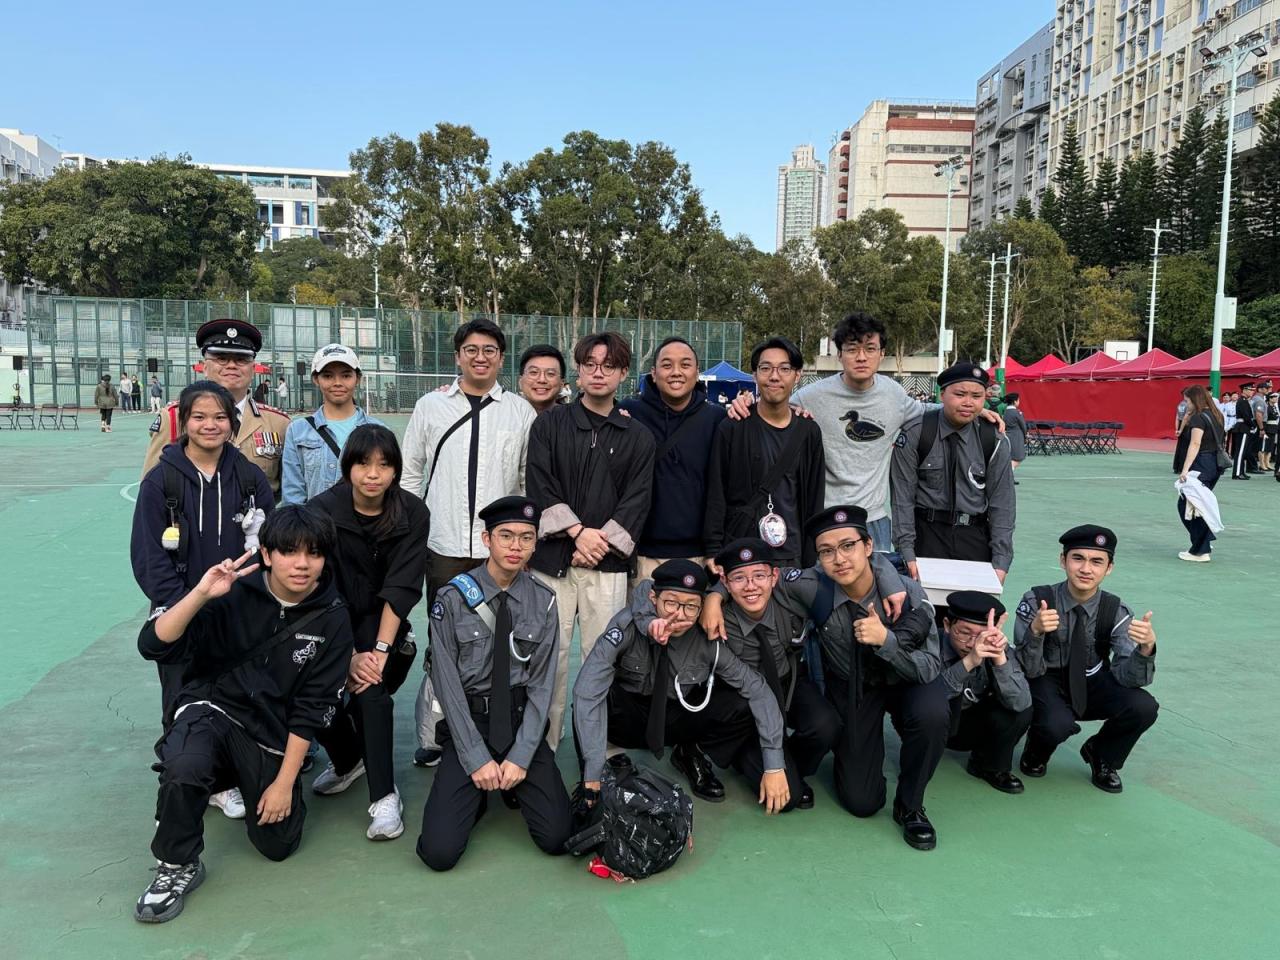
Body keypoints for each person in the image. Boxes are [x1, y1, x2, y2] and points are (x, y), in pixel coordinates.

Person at [132, 507, 352, 923]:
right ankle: (176, 863)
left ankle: (230, 780)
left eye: (314, 553)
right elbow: (152, 646)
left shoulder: (333, 617)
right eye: (289, 552)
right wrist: (200, 594)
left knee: (278, 845)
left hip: (268, 734)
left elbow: (312, 707)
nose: (302, 564)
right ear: (266, 554)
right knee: (185, 764)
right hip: (212, 708)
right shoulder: (231, 592)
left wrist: (283, 783)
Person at [727, 312, 1001, 551]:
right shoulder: (812, 396)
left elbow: (928, 410)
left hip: (873, 521)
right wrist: (744, 403)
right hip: (824, 517)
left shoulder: (893, 394)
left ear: (882, 354)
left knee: (874, 592)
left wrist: (974, 411)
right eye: (852, 349)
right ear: (839, 354)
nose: (861, 357)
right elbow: (773, 407)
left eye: (870, 349)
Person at [132, 380, 275, 820]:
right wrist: (185, 604)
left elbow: (265, 548)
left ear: (233, 424)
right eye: (199, 417)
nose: (209, 425)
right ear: (184, 423)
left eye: (219, 417)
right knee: (180, 694)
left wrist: (249, 599)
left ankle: (227, 777)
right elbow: (148, 555)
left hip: (237, 612)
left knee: (236, 692)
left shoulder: (249, 478)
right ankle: (180, 776)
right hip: (181, 611)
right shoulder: (161, 481)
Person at [400, 318, 535, 767]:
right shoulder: (430, 406)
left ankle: (496, 731)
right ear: (458, 355)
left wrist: (520, 542)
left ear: (501, 357)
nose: (480, 357)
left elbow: (524, 482)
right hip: (443, 547)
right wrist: (410, 533)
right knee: (444, 643)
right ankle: (436, 734)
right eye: (471, 349)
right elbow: (411, 473)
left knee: (499, 643)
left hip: (500, 553)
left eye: (489, 350)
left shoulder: (520, 412)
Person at [415, 496, 571, 871]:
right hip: (469, 723)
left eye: (526, 538)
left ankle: (512, 780)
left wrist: (521, 756)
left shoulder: (544, 601)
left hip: (520, 722)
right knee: (438, 853)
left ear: (535, 544)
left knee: (558, 838)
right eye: (506, 536)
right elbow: (447, 686)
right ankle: (479, 794)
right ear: (487, 540)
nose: (516, 546)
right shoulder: (453, 598)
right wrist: (475, 758)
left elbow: (542, 686)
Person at [695, 539, 911, 810]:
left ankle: (789, 768)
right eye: (739, 578)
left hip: (788, 680)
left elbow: (846, 569)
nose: (751, 586)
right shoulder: (716, 620)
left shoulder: (791, 596)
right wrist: (713, 597)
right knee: (787, 801)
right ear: (726, 582)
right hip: (743, 700)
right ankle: (749, 756)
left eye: (759, 575)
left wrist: (891, 581)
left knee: (826, 724)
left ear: (774, 576)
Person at [573, 559, 790, 814]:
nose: (679, 614)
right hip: (628, 718)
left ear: (701, 608)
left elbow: (757, 689)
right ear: (653, 598)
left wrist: (774, 765)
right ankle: (599, 771)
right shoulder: (626, 625)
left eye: (690, 607)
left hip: (677, 717)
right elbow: (587, 691)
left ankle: (691, 753)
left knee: (739, 703)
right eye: (671, 603)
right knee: (593, 695)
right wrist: (593, 771)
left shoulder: (707, 640)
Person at [526, 331, 656, 748]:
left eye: (609, 365)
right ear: (579, 371)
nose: (599, 372)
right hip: (553, 563)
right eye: (590, 364)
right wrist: (577, 533)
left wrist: (599, 543)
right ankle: (542, 748)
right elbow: (540, 484)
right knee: (550, 658)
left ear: (623, 373)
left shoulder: (638, 436)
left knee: (603, 660)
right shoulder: (549, 424)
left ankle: (600, 751)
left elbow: (638, 499)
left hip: (608, 564)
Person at [792, 506, 947, 849]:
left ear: (868, 546)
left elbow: (928, 668)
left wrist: (886, 641)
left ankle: (911, 805)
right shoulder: (811, 587)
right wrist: (716, 596)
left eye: (848, 546)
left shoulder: (908, 592)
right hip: (854, 686)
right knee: (862, 802)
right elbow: (758, 582)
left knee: (932, 714)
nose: (839, 559)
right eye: (826, 551)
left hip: (905, 680)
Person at [307, 425, 430, 840]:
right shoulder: (322, 511)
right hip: (329, 620)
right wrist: (347, 655)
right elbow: (320, 588)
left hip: (382, 623)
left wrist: (377, 651)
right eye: (363, 464)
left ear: (396, 470)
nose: (373, 474)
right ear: (347, 468)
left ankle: (384, 797)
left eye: (384, 464)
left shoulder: (413, 512)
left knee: (370, 691)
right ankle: (347, 761)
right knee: (305, 684)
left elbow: (402, 586)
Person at [1014, 525, 1159, 793]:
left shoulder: (1116, 611)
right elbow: (1026, 669)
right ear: (1063, 560)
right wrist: (1035, 632)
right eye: (1078, 558)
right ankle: (1037, 748)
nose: (1086, 569)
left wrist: (1146, 648)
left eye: (1096, 562)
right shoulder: (1038, 601)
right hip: (1046, 678)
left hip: (1092, 678)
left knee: (1143, 706)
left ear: (1109, 568)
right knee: (1055, 724)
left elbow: (1128, 678)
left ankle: (1102, 755)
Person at [891, 361, 1016, 586]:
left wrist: (1001, 560)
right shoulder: (917, 433)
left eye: (976, 396)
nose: (968, 402)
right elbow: (902, 498)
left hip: (975, 537)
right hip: (925, 536)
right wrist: (906, 551)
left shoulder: (993, 439)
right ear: (942, 394)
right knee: (922, 605)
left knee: (973, 607)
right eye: (959, 394)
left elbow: (1003, 504)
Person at [705, 337, 824, 569]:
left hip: (792, 554)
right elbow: (716, 492)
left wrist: (811, 557)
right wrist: (712, 549)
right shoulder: (733, 426)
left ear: (797, 375)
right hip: (743, 553)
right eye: (766, 368)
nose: (774, 376)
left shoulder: (809, 431)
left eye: (784, 369)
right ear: (754, 375)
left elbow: (814, 498)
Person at [143, 319, 291, 499]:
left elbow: (289, 490)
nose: (231, 365)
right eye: (221, 358)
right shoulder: (174, 417)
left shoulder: (278, 423)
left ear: (253, 369)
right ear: (205, 367)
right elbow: (151, 489)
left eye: (241, 359)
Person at [619, 336, 725, 580]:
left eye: (685, 365)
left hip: (699, 556)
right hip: (641, 555)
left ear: (697, 372)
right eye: (667, 365)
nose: (676, 372)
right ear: (653, 373)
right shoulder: (628, 413)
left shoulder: (717, 419)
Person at [936, 591, 1031, 794]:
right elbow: (927, 698)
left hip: (971, 723)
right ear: (947, 625)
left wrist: (999, 658)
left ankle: (988, 765)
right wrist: (969, 661)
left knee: (1021, 706)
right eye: (964, 633)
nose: (973, 643)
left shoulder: (996, 645)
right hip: (935, 724)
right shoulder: (930, 644)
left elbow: (1021, 702)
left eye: (981, 635)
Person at [281, 343, 382, 504]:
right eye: (328, 376)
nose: (337, 383)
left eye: (346, 376)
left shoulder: (379, 430)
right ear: (316, 379)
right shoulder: (298, 430)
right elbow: (293, 495)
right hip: (313, 520)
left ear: (358, 379)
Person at [1175, 384, 1227, 562]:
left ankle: (1200, 550)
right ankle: (1204, 542)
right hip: (1215, 465)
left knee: (1187, 506)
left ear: (1194, 400)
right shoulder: (1217, 415)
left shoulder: (1198, 418)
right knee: (1197, 506)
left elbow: (1195, 444)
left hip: (1201, 464)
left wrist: (1185, 469)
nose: (1186, 404)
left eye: (1187, 400)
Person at [517, 344, 567, 414]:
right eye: (534, 372)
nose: (542, 380)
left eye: (550, 374)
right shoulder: (506, 415)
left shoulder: (574, 418)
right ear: (520, 381)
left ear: (562, 384)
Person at [1002, 393, 1027, 484]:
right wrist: (1025, 436)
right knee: (1018, 458)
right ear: (1015, 401)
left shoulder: (1005, 412)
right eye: (1018, 400)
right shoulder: (1017, 413)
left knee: (1011, 457)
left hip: (1008, 435)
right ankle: (1008, 477)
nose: (1019, 402)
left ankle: (1009, 477)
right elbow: (1023, 426)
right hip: (1017, 436)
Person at [1172, 388, 1192, 475]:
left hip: (1181, 425)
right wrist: (1181, 429)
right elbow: (1185, 418)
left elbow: (1177, 417)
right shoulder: (1190, 404)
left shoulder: (1180, 404)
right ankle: (1182, 467)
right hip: (1186, 426)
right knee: (1186, 447)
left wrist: (1177, 429)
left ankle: (1176, 467)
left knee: (1180, 447)